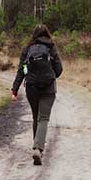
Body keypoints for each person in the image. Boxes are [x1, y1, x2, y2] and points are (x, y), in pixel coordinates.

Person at [11, 24, 63, 165]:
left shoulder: (27, 48)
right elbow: (59, 69)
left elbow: (22, 70)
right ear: (47, 33)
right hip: (48, 88)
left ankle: (37, 148)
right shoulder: (51, 47)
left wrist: (14, 90)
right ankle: (38, 149)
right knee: (44, 118)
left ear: (34, 34)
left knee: (36, 117)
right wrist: (50, 75)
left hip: (32, 88)